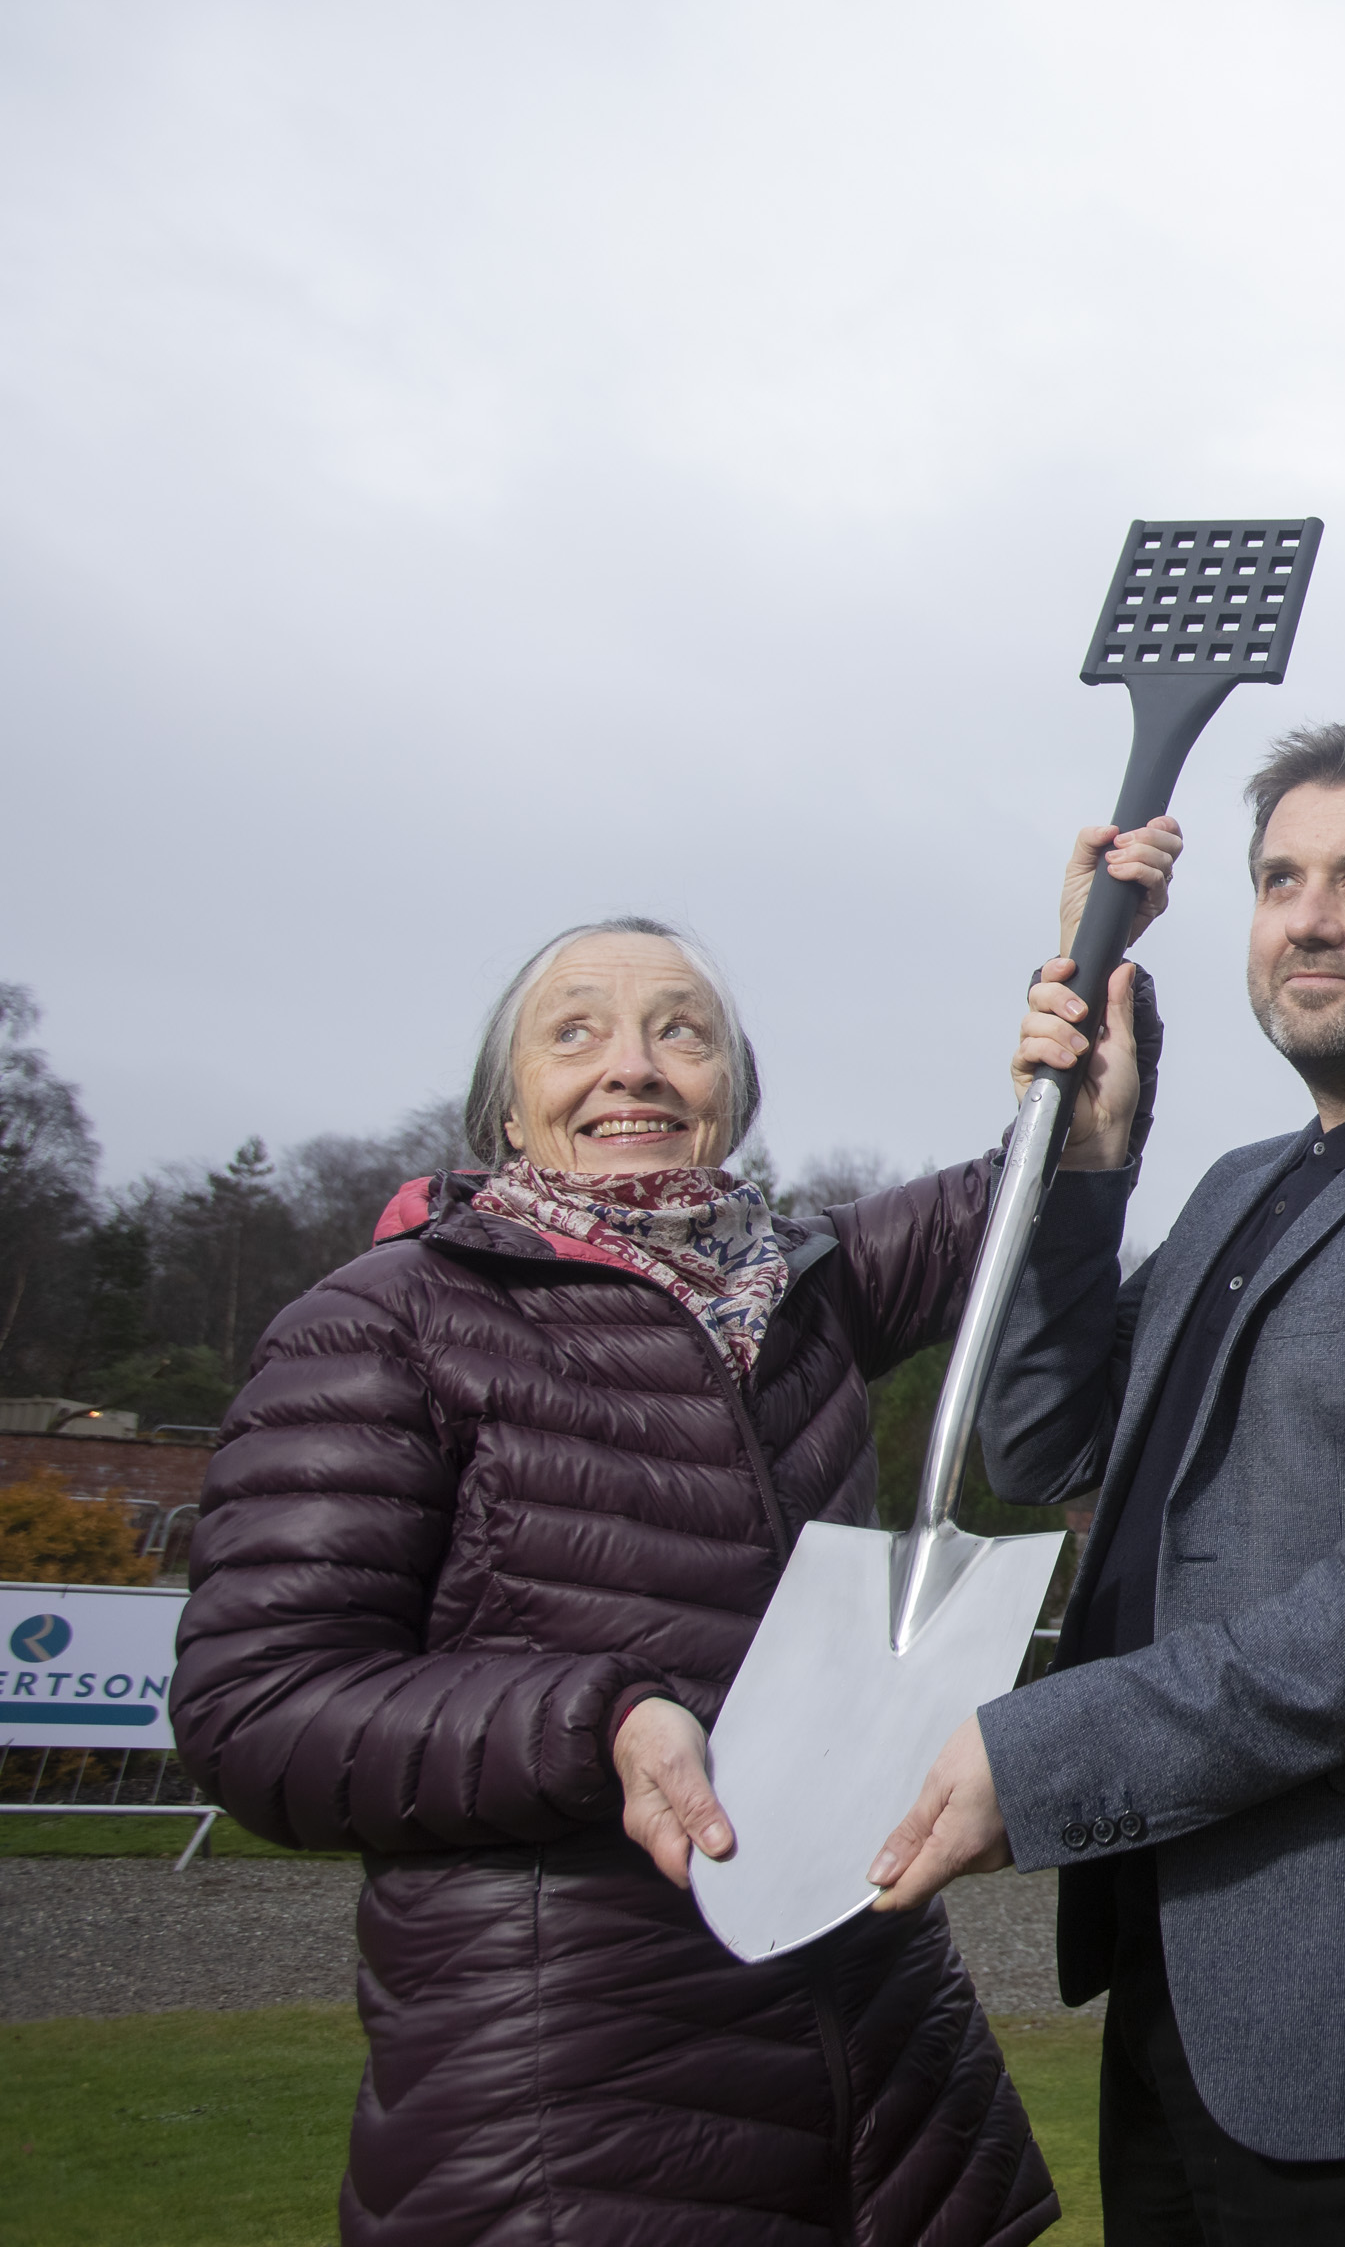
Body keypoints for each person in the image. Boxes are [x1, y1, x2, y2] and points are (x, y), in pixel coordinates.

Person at [171, 820, 1181, 2247]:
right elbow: (257, 1711)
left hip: (884, 2085)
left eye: (681, 1034)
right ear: (508, 1111)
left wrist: (1101, 965)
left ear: (732, 1093)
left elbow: (1025, 1182)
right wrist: (602, 1721)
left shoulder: (804, 1287)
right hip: (575, 2100)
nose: (632, 1064)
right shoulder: (382, 1321)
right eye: (573, 1034)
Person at [865, 722, 1345, 2245]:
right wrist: (1086, 1174)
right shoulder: (1240, 1187)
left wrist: (1046, 1753)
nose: (1309, 916)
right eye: (1279, 878)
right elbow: (1054, 1454)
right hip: (1186, 1974)